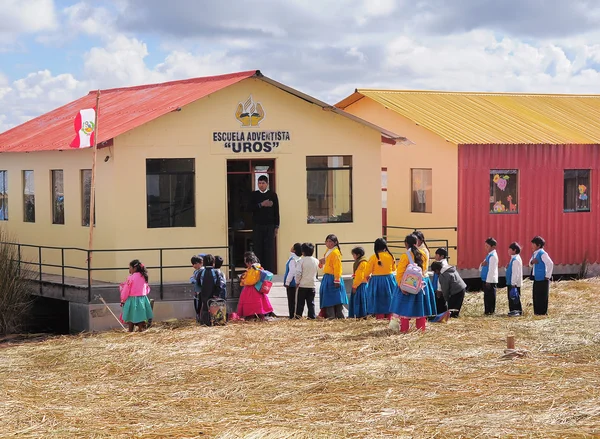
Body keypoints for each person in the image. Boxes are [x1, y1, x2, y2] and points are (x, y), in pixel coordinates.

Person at [390, 234, 433, 332]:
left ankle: (404, 330)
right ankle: (421, 329)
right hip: (421, 284)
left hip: (408, 284)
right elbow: (424, 269)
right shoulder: (423, 254)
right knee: (420, 309)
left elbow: (400, 272)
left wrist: (401, 286)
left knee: (405, 309)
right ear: (416, 243)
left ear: (406, 244)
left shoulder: (405, 256)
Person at [250, 175, 279, 272]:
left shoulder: (273, 195)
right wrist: (261, 204)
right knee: (258, 248)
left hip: (270, 226)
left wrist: (276, 226)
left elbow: (276, 211)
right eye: (259, 183)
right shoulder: (254, 195)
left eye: (263, 183)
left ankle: (268, 272)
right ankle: (258, 271)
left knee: (269, 249)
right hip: (257, 225)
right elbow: (248, 208)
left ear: (267, 184)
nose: (261, 185)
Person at [365, 238, 397, 319]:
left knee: (378, 300)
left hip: (376, 281)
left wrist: (367, 278)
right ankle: (390, 318)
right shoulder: (390, 256)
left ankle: (380, 318)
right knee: (389, 299)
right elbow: (394, 269)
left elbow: (367, 272)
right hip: (389, 280)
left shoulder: (373, 257)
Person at [237, 251, 274, 320]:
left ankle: (251, 316)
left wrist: (243, 280)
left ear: (249, 262)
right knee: (259, 305)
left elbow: (250, 281)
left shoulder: (253, 269)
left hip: (251, 290)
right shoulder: (259, 267)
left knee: (251, 305)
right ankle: (259, 317)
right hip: (258, 289)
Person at [318, 234, 348, 319]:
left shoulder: (335, 253)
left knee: (335, 298)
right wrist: (321, 262)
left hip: (333, 277)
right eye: (327, 241)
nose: (328, 243)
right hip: (328, 276)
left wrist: (337, 280)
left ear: (335, 243)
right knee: (329, 298)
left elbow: (337, 267)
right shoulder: (329, 250)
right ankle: (331, 316)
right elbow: (327, 261)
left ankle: (336, 316)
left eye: (330, 241)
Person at [119, 259, 153, 332]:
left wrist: (123, 299)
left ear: (134, 268)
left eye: (130, 268)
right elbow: (147, 289)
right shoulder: (144, 276)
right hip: (143, 299)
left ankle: (130, 331)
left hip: (132, 299)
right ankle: (141, 330)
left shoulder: (131, 277)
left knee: (131, 316)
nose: (129, 269)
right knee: (140, 316)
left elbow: (126, 289)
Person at [529, 236, 554, 315]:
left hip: (543, 278)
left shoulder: (542, 253)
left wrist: (547, 275)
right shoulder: (535, 254)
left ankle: (542, 312)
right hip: (536, 278)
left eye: (533, 244)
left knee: (542, 296)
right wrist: (532, 262)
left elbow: (550, 263)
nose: (531, 246)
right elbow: (530, 263)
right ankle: (537, 312)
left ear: (538, 245)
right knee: (536, 296)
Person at [294, 243, 319, 319]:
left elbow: (298, 273)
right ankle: (312, 316)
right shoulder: (316, 261)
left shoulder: (301, 261)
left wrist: (297, 282)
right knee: (311, 303)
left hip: (303, 285)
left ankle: (298, 316)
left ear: (303, 252)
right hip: (312, 284)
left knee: (300, 303)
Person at [480, 237, 499, 315]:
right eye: (485, 246)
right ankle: (487, 310)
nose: (486, 248)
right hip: (486, 279)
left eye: (487, 246)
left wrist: (488, 281)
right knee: (487, 296)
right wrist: (482, 264)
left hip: (490, 280)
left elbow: (492, 270)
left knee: (490, 296)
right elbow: (482, 266)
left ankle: (490, 311)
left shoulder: (493, 256)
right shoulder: (489, 255)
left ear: (493, 246)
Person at [349, 247, 369, 318]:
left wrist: (355, 286)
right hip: (362, 284)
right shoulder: (361, 262)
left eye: (353, 255)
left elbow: (359, 276)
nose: (353, 256)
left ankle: (361, 315)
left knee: (359, 301)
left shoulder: (362, 263)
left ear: (358, 255)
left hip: (360, 285)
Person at [283, 243, 303, 319]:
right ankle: (295, 315)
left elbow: (292, 272)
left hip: (291, 283)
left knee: (291, 300)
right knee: (296, 300)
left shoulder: (292, 260)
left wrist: (287, 282)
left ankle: (292, 316)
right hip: (297, 282)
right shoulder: (299, 259)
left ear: (294, 250)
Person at [506, 242, 523, 317]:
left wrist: (513, 284)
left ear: (514, 250)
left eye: (510, 249)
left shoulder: (515, 259)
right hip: (511, 282)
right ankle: (513, 310)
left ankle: (517, 311)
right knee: (511, 297)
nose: (508, 251)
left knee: (514, 297)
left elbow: (515, 273)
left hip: (514, 283)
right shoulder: (513, 259)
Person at [431, 248, 450, 314]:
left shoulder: (442, 265)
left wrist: (438, 289)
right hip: (437, 287)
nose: (435, 256)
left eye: (437, 255)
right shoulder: (441, 263)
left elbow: (440, 278)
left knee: (440, 304)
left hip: (439, 288)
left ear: (441, 256)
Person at [190, 255, 204, 321]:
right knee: (196, 304)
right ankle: (198, 317)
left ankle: (200, 318)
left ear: (199, 263)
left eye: (194, 264)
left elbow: (200, 281)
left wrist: (194, 280)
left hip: (201, 291)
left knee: (200, 305)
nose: (193, 266)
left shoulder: (202, 271)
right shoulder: (196, 271)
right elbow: (192, 278)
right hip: (196, 291)